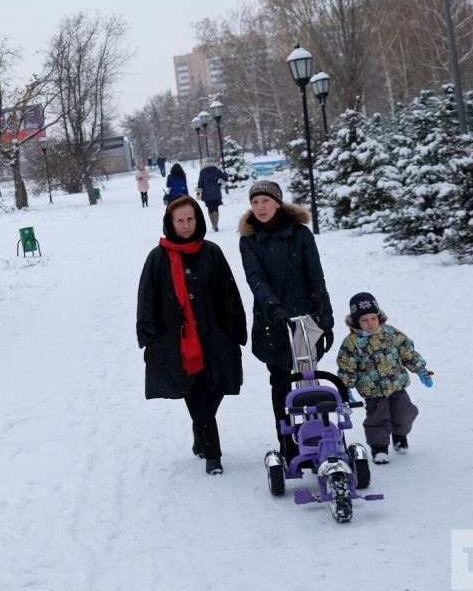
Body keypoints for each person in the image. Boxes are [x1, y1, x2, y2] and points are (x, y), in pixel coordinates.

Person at [137, 196, 248, 475]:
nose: (186, 226)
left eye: (190, 219)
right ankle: (213, 455)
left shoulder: (212, 252)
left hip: (215, 338)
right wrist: (150, 337)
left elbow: (229, 293)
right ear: (170, 223)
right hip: (179, 342)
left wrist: (235, 329)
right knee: (195, 392)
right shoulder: (158, 257)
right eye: (180, 220)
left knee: (217, 389)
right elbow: (147, 301)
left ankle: (201, 434)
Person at [237, 180, 334, 461]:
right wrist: (273, 306)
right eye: (255, 202)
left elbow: (316, 276)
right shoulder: (249, 240)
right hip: (273, 321)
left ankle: (318, 436)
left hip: (306, 318)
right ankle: (287, 441)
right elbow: (256, 278)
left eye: (265, 201)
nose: (260, 207)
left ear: (277, 202)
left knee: (309, 378)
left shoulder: (301, 235)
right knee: (280, 381)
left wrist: (324, 317)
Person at [336, 292, 433, 464]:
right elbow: (347, 367)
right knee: (377, 419)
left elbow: (407, 352)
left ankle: (400, 435)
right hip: (373, 391)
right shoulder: (352, 343)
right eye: (364, 320)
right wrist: (345, 387)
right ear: (355, 321)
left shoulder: (391, 334)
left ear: (379, 316)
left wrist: (421, 370)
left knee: (404, 414)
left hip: (397, 385)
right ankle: (379, 448)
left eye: (373, 318)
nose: (370, 323)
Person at [195, 161, 229, 232]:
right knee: (216, 208)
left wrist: (198, 193)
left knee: (210, 208)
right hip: (216, 191)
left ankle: (213, 224)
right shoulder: (217, 170)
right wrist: (219, 184)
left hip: (206, 193)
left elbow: (200, 183)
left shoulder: (203, 172)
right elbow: (225, 178)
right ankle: (216, 225)